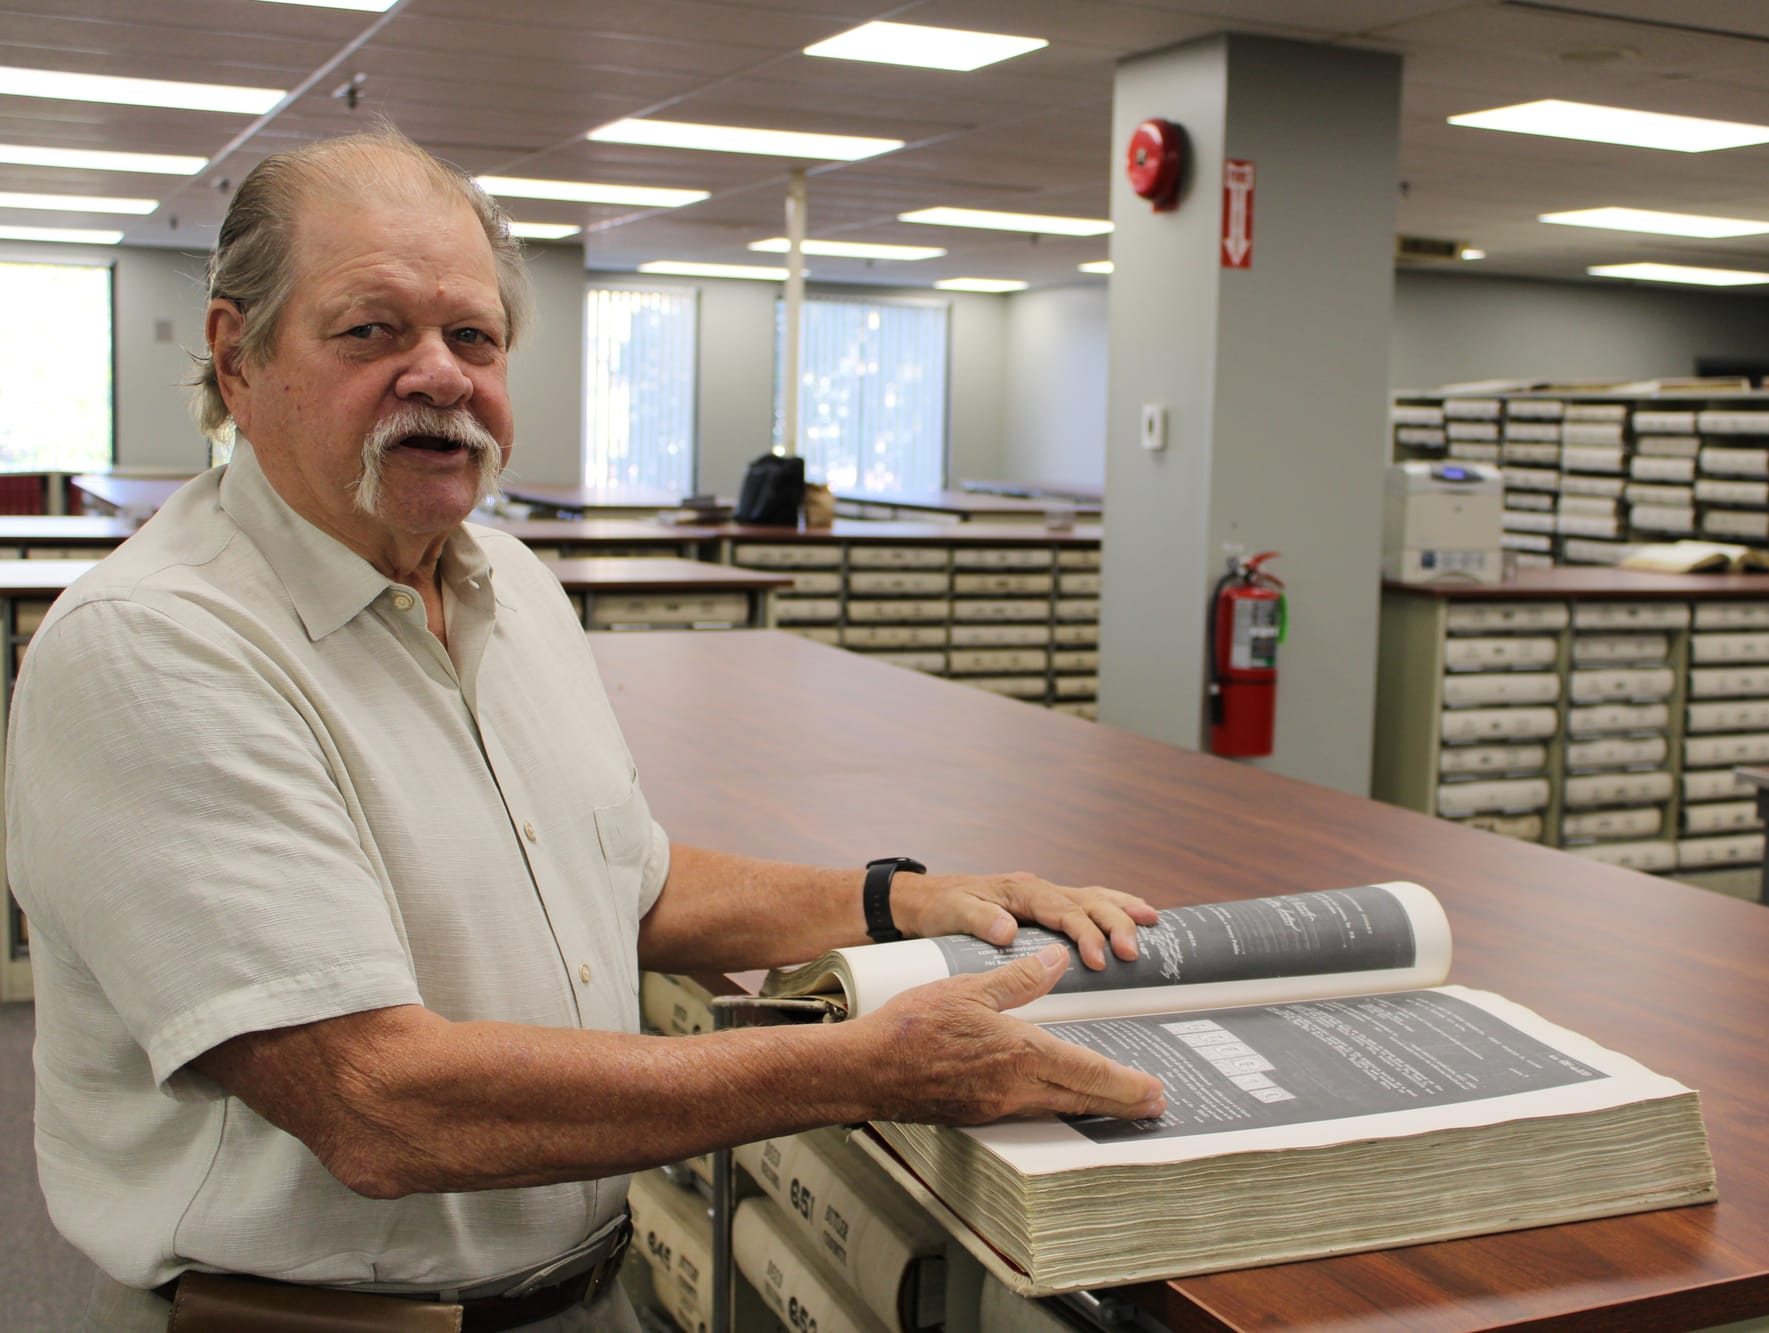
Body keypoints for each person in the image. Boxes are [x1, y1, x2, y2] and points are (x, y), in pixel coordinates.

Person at [5, 127, 1163, 1333]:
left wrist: (904, 899)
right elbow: (377, 1102)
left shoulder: (510, 586)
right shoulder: (156, 649)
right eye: (372, 330)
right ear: (236, 358)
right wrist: (859, 1071)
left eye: (473, 335)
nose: (439, 375)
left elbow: (624, 884)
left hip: (586, 1293)